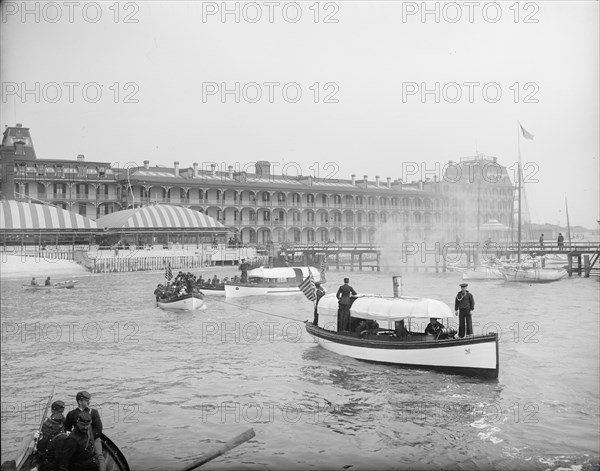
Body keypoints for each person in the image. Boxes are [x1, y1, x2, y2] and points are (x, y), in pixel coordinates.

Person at [64, 391, 105, 471]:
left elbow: (98, 429)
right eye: (86, 401)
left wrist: (89, 439)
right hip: (78, 439)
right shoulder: (71, 414)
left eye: (88, 400)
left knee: (99, 457)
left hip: (93, 438)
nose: (89, 402)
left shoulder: (94, 412)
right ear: (79, 402)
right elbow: (67, 429)